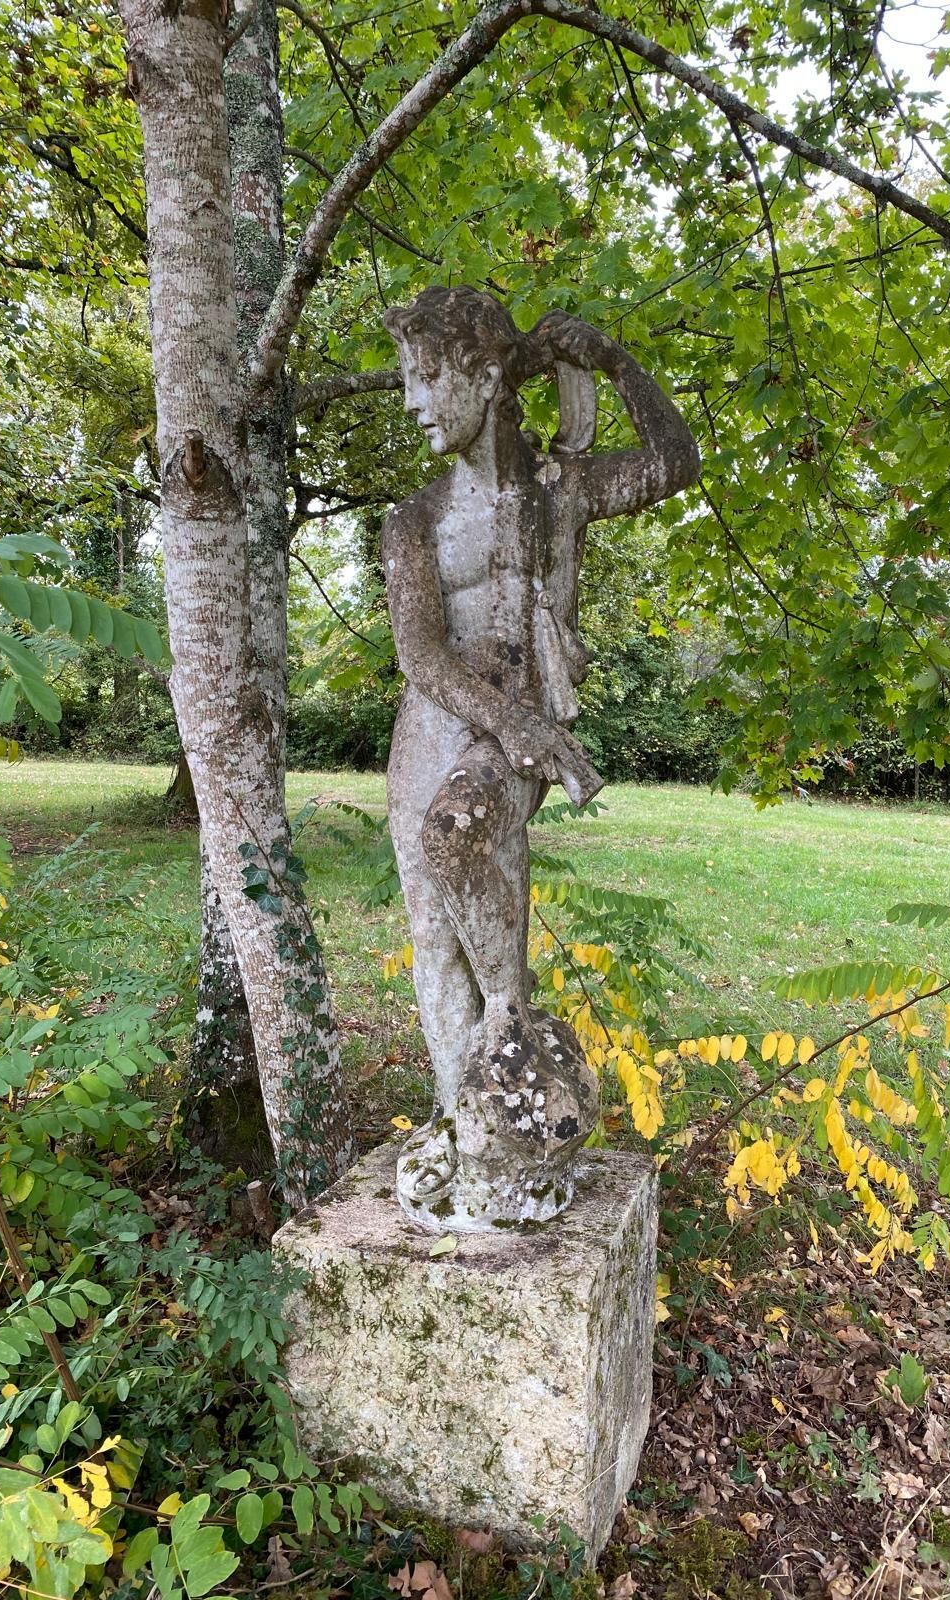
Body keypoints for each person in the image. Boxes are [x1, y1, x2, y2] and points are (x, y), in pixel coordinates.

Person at [382, 286, 699, 1223]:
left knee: (461, 847)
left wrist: (613, 362)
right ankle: (465, 1134)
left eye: (429, 377)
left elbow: (675, 462)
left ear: (486, 373)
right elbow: (418, 654)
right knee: (438, 948)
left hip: (510, 737)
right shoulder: (415, 518)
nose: (413, 400)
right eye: (408, 379)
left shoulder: (561, 489)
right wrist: (514, 727)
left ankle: (513, 1037)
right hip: (433, 730)